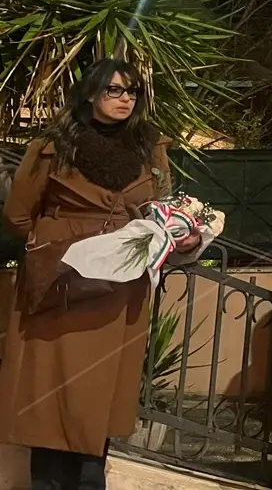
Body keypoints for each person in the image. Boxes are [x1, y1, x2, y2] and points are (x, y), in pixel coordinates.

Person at [0, 59, 200, 490]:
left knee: (95, 398)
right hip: (61, 283)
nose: (126, 99)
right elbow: (17, 217)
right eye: (115, 90)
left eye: (132, 91)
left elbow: (160, 212)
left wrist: (181, 237)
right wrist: (60, 242)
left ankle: (89, 480)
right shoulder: (52, 147)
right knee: (49, 398)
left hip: (118, 286)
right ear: (91, 94)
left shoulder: (150, 148)